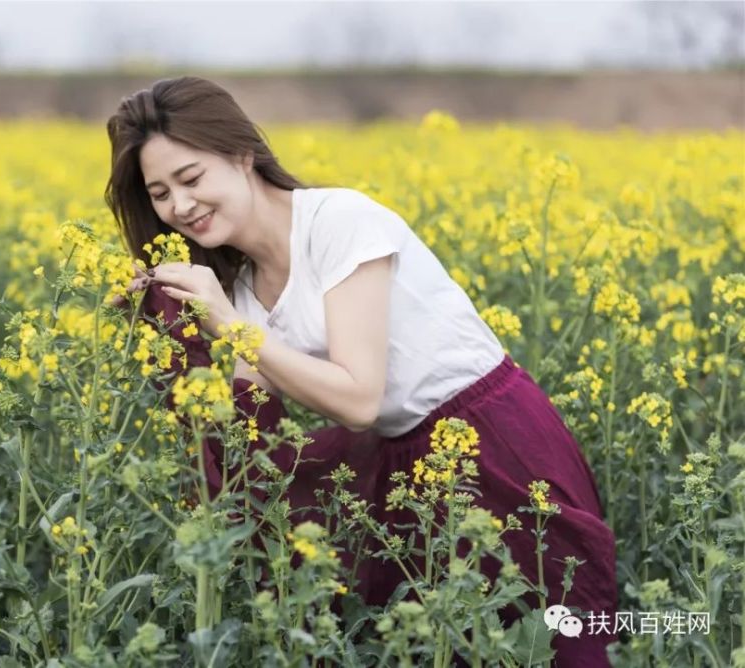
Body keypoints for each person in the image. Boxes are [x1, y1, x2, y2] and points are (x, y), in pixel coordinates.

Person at [105, 76, 618, 666]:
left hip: (493, 442)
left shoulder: (340, 222)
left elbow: (359, 398)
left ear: (242, 155)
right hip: (403, 466)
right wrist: (166, 330)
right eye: (160, 194)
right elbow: (248, 437)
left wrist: (221, 321)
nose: (180, 207)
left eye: (191, 179)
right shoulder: (240, 292)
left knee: (545, 640)